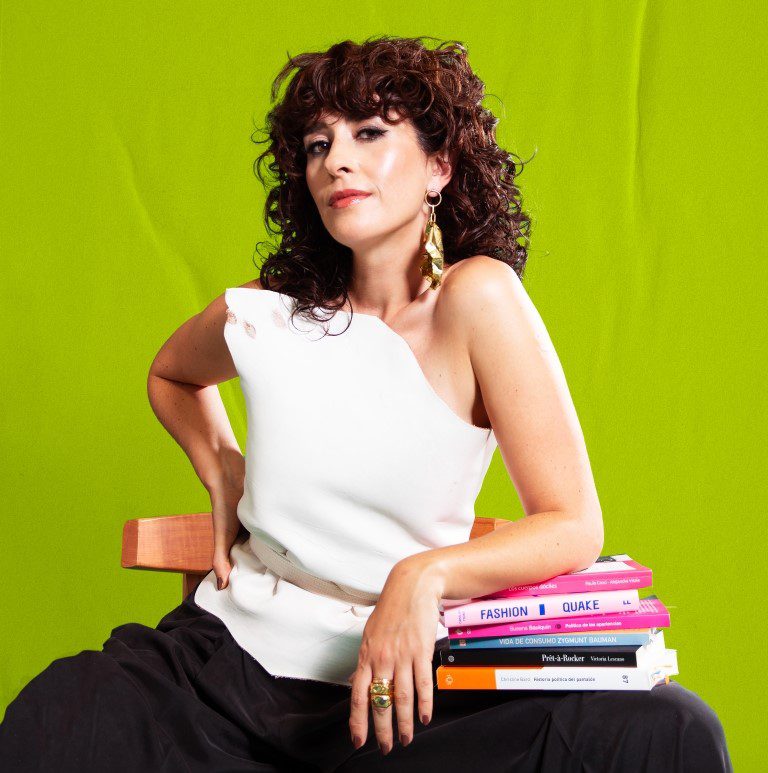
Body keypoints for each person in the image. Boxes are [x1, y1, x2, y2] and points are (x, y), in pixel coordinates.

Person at [0, 35, 732, 773]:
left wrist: (422, 575)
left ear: (440, 166)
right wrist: (222, 467)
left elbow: (573, 523)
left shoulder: (477, 299)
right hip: (227, 667)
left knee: (668, 731)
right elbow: (171, 375)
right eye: (318, 145)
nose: (336, 161)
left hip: (398, 688)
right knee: (60, 715)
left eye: (371, 133)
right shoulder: (270, 310)